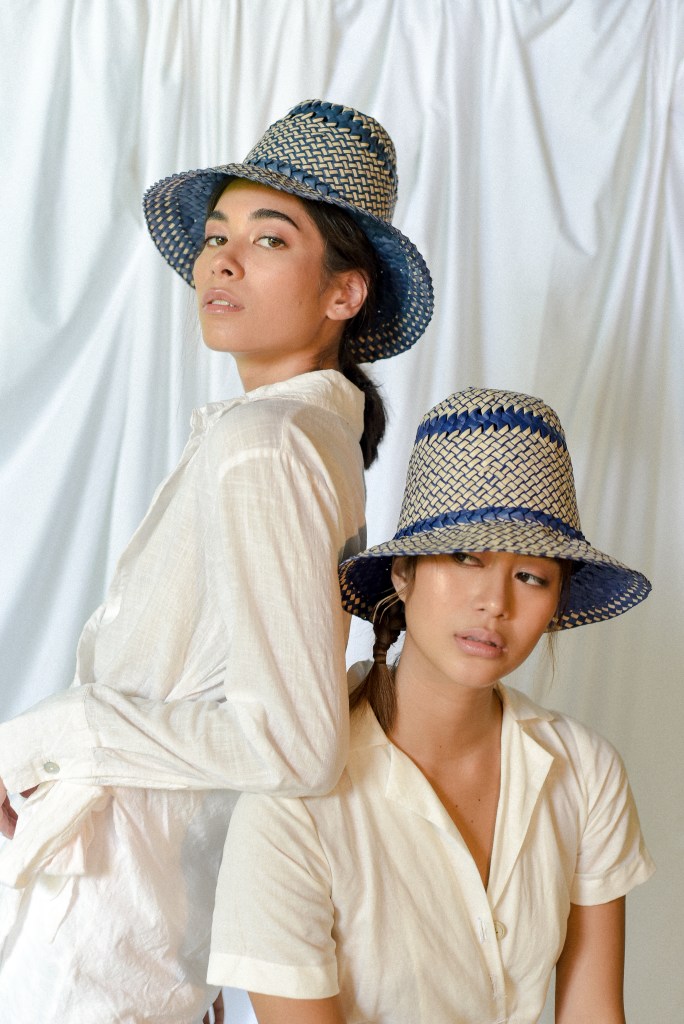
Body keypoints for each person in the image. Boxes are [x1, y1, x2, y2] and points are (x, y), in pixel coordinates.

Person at [0, 100, 433, 1023]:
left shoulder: (267, 444)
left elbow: (294, 745)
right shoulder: (301, 438)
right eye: (215, 236)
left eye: (269, 239)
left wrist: (58, 731)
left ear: (344, 294)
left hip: (106, 939)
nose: (221, 261)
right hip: (142, 924)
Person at [211, 386, 655, 1024]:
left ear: (556, 600)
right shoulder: (295, 803)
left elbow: (594, 1012)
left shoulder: (585, 773)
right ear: (403, 572)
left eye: (531, 576)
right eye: (465, 558)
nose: (495, 602)